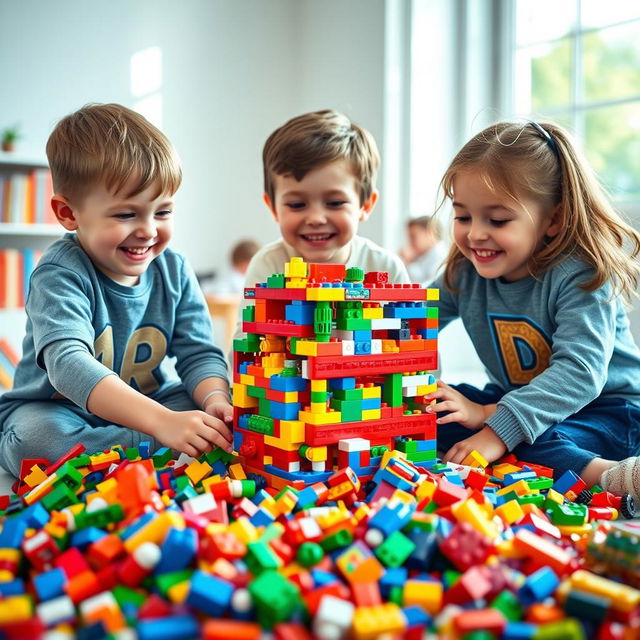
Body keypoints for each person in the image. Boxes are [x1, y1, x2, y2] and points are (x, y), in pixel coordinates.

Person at [0, 104, 233, 477]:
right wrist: (161, 424)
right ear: (68, 214)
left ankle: (136, 446)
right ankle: (153, 445)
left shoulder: (174, 269)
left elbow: (199, 353)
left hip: (149, 399)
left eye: (163, 212)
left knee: (218, 413)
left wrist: (215, 399)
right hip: (58, 408)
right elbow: (67, 365)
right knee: (33, 440)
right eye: (126, 215)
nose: (148, 230)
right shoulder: (59, 272)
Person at [426, 120, 640, 499]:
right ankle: (506, 434)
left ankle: (615, 478)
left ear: (553, 219)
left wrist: (494, 429)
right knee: (433, 407)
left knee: (531, 440)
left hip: (609, 411)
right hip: (515, 398)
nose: (475, 234)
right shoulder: (464, 271)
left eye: (498, 220)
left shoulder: (581, 274)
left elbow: (580, 373)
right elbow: (414, 320)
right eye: (463, 216)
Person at [242, 109, 410, 292]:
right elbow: (249, 321)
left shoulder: (386, 267)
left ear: (366, 205)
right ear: (273, 208)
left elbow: (408, 321)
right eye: (297, 205)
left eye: (335, 203)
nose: (316, 218)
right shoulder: (266, 266)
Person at [399, 215, 448, 285]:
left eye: (413, 236)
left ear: (430, 233)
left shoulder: (440, 256)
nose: (410, 242)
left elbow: (432, 290)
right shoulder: (424, 254)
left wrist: (408, 262)